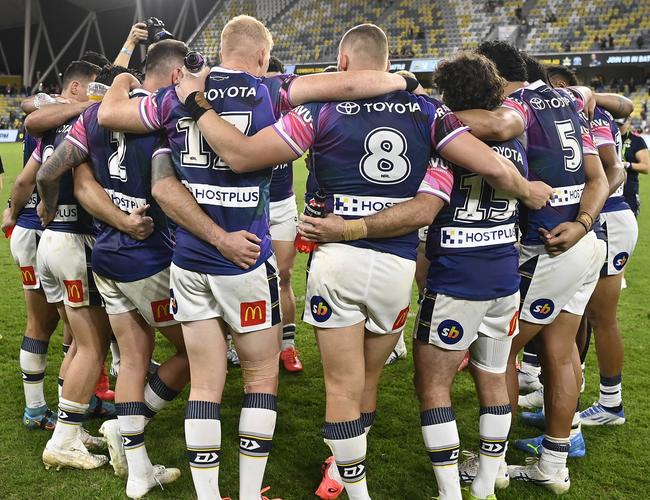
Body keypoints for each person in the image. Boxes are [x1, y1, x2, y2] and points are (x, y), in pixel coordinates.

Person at [173, 25, 550, 500]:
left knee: (340, 388)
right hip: (395, 267)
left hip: (336, 262)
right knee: (368, 379)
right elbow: (494, 165)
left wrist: (199, 106)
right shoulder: (430, 112)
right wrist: (527, 189)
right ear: (390, 64)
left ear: (343, 63)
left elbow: (245, 155)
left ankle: (353, 488)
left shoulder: (318, 109)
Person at [98, 15, 423, 500]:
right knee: (259, 377)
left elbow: (108, 114)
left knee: (205, 384)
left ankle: (209, 495)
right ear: (264, 56)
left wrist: (124, 78)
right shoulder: (275, 91)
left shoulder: (174, 95)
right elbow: (356, 80)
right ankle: (250, 493)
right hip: (245, 257)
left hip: (188, 258)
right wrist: (404, 79)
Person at [454, 41, 609, 494]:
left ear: (497, 77)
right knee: (560, 353)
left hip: (547, 251)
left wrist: (423, 114)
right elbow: (597, 178)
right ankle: (553, 465)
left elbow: (502, 123)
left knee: (500, 353)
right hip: (584, 244)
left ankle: (493, 466)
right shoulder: (570, 101)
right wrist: (582, 223)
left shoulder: (516, 106)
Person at [43, 48, 191, 497]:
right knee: (199, 352)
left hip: (105, 254)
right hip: (149, 258)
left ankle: (136, 462)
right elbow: (173, 191)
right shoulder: (165, 114)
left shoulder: (93, 119)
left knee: (133, 355)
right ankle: (134, 425)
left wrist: (50, 209)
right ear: (176, 73)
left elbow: (52, 171)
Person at [32, 60, 115, 470]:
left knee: (79, 341)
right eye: (96, 87)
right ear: (80, 89)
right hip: (75, 241)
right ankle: (63, 440)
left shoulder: (55, 124)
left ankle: (73, 423)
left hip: (50, 241)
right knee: (93, 345)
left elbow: (40, 173)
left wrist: (45, 204)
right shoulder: (89, 124)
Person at [2, 131, 78, 432]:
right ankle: (43, 409)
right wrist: (14, 210)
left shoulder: (44, 123)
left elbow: (22, 183)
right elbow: (24, 181)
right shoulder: (64, 126)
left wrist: (11, 210)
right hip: (40, 231)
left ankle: (64, 402)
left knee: (69, 323)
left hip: (30, 232)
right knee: (48, 322)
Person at [261, 55, 302, 372]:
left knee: (284, 276)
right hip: (248, 203)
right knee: (244, 276)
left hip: (281, 201)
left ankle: (287, 346)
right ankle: (238, 342)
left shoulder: (287, 102)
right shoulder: (246, 98)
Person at [618, 116, 649, 217]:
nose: (619, 126)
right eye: (617, 123)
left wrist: (627, 165)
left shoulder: (637, 141)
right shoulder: (608, 138)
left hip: (629, 190)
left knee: (629, 228)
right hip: (610, 191)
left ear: (629, 120)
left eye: (621, 123)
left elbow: (646, 167)